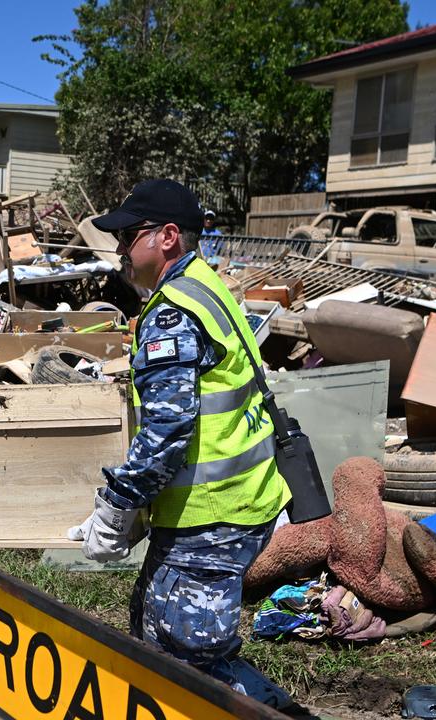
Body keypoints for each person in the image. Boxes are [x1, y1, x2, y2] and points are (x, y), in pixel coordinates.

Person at [69, 179, 298, 710]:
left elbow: (168, 431)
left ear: (168, 237)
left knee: (185, 657)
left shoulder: (174, 311)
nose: (121, 252)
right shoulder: (204, 286)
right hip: (232, 503)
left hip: (212, 516)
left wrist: (115, 509)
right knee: (159, 634)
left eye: (129, 237)